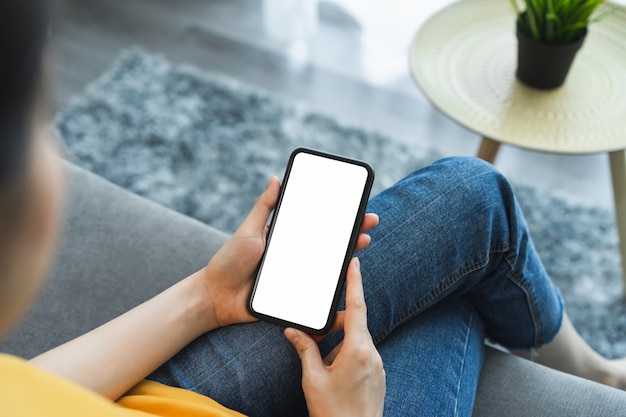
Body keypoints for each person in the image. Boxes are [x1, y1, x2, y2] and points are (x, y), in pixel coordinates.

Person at [1, 1, 625, 416]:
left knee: (469, 196)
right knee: (450, 286)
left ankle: (592, 370)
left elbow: (30, 394)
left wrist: (205, 296)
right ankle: (593, 373)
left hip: (161, 400)